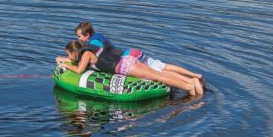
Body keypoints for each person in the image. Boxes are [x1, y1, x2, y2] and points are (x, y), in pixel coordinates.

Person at [57, 39, 204, 97]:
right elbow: (79, 62)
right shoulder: (89, 49)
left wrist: (65, 65)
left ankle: (189, 86)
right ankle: (191, 82)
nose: (68, 57)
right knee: (158, 74)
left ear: (74, 52)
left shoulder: (86, 55)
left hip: (125, 67)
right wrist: (65, 60)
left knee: (158, 76)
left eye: (68, 54)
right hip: (127, 61)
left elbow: (79, 70)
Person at [74, 21, 204, 85]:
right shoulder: (99, 35)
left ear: (88, 35)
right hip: (133, 53)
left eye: (79, 36)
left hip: (128, 57)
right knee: (162, 66)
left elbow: (92, 52)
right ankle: (194, 76)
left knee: (159, 72)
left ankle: (190, 81)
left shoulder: (94, 43)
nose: (78, 39)